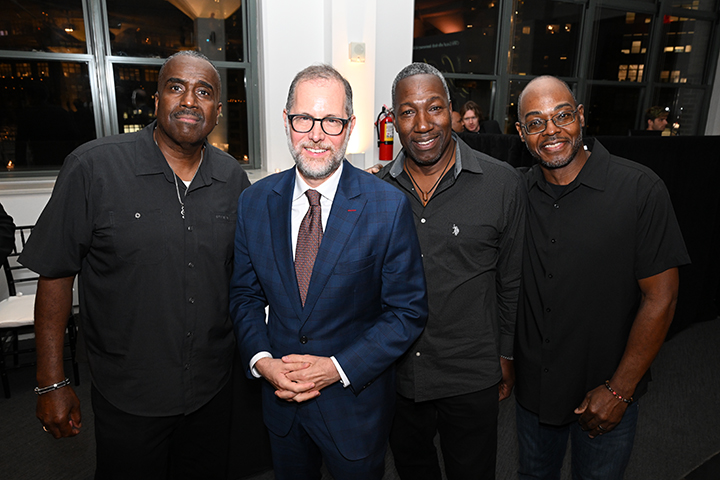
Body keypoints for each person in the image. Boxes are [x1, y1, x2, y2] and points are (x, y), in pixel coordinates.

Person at [19, 50, 251, 480]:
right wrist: (51, 382)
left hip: (212, 389)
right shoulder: (93, 167)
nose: (189, 101)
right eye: (176, 87)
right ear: (157, 100)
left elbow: (240, 278)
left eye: (203, 92)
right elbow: (55, 274)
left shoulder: (233, 179)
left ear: (218, 111)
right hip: (129, 394)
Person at [229, 64, 427, 480]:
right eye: (304, 118)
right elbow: (245, 296)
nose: (316, 134)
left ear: (350, 126)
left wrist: (335, 367)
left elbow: (407, 312)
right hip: (281, 402)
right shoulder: (254, 202)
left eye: (331, 121)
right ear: (287, 121)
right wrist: (263, 361)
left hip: (354, 408)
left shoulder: (387, 206)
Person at [513, 75, 690, 479]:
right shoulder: (516, 193)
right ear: (522, 134)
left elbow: (662, 298)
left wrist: (619, 390)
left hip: (607, 394)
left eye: (562, 116)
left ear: (580, 117)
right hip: (534, 395)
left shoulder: (639, 189)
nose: (551, 130)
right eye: (536, 122)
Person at [376, 63, 526, 479]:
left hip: (471, 373)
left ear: (452, 112)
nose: (423, 123)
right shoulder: (375, 192)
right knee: (413, 469)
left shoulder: (502, 184)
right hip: (398, 373)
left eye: (434, 108)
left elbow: (511, 281)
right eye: (408, 111)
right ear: (393, 119)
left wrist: (506, 354)